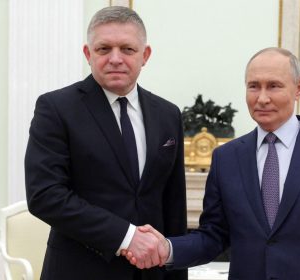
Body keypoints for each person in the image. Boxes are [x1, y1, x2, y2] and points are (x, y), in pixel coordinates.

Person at [124, 47, 300, 279]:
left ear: (299, 87)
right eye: (254, 86)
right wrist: (166, 248)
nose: (262, 98)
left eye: (274, 86)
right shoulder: (226, 157)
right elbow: (214, 235)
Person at [24, 6, 187, 280]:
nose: (115, 59)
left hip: (152, 274)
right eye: (104, 49)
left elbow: (173, 207)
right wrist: (127, 236)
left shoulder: (168, 114)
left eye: (127, 49)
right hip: (79, 271)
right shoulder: (56, 108)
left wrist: (175, 270)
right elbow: (45, 196)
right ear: (88, 54)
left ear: (144, 55)